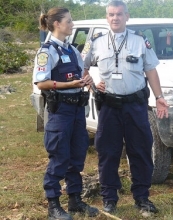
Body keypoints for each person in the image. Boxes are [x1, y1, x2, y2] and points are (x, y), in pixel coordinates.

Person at [82, 0, 169, 214]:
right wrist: (93, 85)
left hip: (135, 106)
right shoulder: (96, 42)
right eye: (111, 14)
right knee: (108, 153)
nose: (115, 18)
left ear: (127, 16)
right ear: (106, 17)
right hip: (109, 107)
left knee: (140, 151)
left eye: (119, 14)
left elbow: (151, 71)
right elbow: (82, 68)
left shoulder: (140, 41)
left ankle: (142, 197)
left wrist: (159, 96)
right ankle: (109, 198)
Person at [32, 7, 99, 220]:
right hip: (61, 111)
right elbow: (41, 82)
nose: (72, 24)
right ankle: (53, 206)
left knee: (77, 155)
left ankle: (75, 200)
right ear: (57, 24)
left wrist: (86, 80)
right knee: (59, 156)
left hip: (78, 109)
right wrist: (68, 84)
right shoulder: (47, 51)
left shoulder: (71, 50)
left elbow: (81, 73)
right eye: (69, 21)